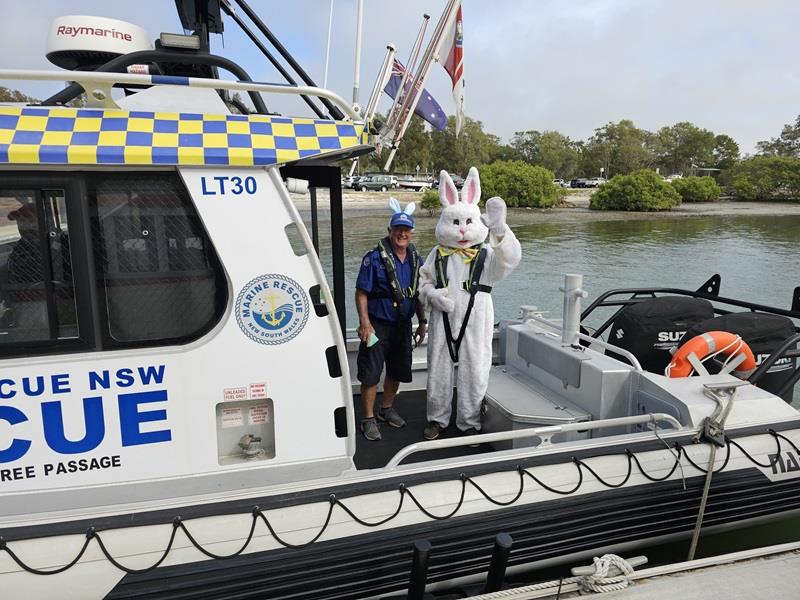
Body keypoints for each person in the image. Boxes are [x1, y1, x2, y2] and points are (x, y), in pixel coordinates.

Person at [355, 200, 427, 441]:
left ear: (411, 232)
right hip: (377, 325)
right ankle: (368, 418)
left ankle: (386, 409)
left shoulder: (417, 259)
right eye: (397, 229)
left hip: (403, 326)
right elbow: (361, 292)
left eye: (406, 230)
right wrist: (365, 322)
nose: (402, 234)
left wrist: (423, 321)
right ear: (390, 230)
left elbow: (418, 293)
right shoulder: (373, 258)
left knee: (396, 370)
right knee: (371, 374)